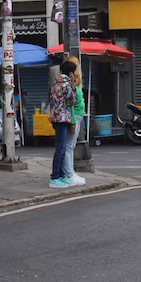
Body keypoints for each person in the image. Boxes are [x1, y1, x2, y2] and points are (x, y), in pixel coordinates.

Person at [48, 59, 78, 188]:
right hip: (63, 118)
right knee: (61, 148)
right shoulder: (66, 84)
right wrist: (73, 88)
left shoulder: (55, 83)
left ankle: (60, 175)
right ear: (71, 72)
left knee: (61, 147)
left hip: (55, 117)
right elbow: (72, 101)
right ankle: (55, 177)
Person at [64, 56, 86, 186]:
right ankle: (69, 173)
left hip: (77, 116)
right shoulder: (70, 85)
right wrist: (72, 121)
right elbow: (70, 105)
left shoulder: (75, 84)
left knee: (70, 146)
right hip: (75, 117)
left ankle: (71, 171)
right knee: (69, 146)